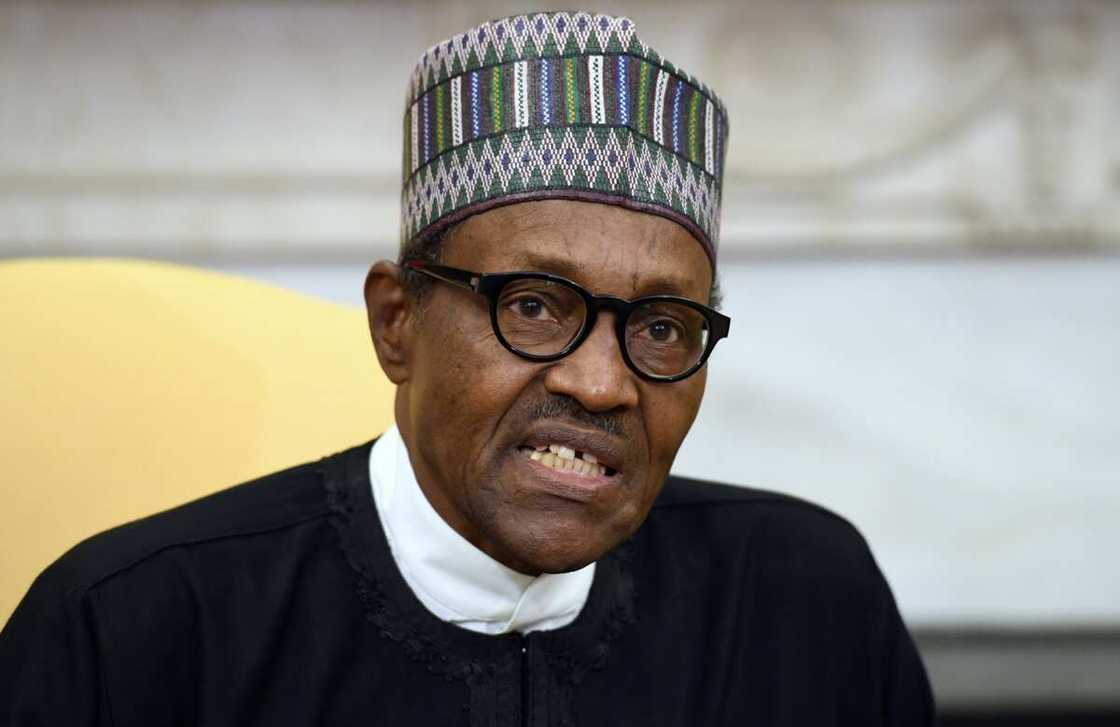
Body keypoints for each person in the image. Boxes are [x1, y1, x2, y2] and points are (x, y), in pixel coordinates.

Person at [0, 11, 934, 726]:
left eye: (660, 327)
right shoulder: (135, 629)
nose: (604, 384)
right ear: (396, 323)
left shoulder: (804, 601)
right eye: (533, 305)